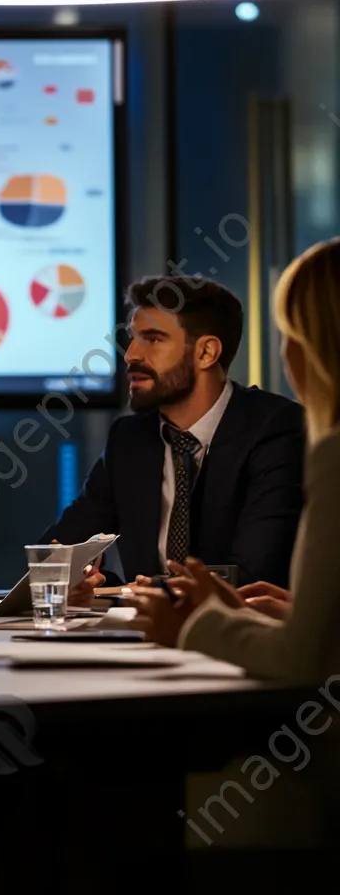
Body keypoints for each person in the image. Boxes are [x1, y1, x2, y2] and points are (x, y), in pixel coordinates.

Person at [129, 238, 340, 684]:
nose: (130, 354)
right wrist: (295, 617)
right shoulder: (130, 439)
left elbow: (299, 661)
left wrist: (192, 625)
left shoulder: (311, 445)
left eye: (291, 334)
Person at [39, 274, 304, 601]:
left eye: (152, 339)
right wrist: (88, 584)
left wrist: (120, 592)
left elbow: (250, 579)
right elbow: (53, 559)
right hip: (141, 642)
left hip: (241, 644)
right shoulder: (129, 439)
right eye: (133, 338)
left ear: (207, 352)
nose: (130, 355)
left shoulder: (275, 428)